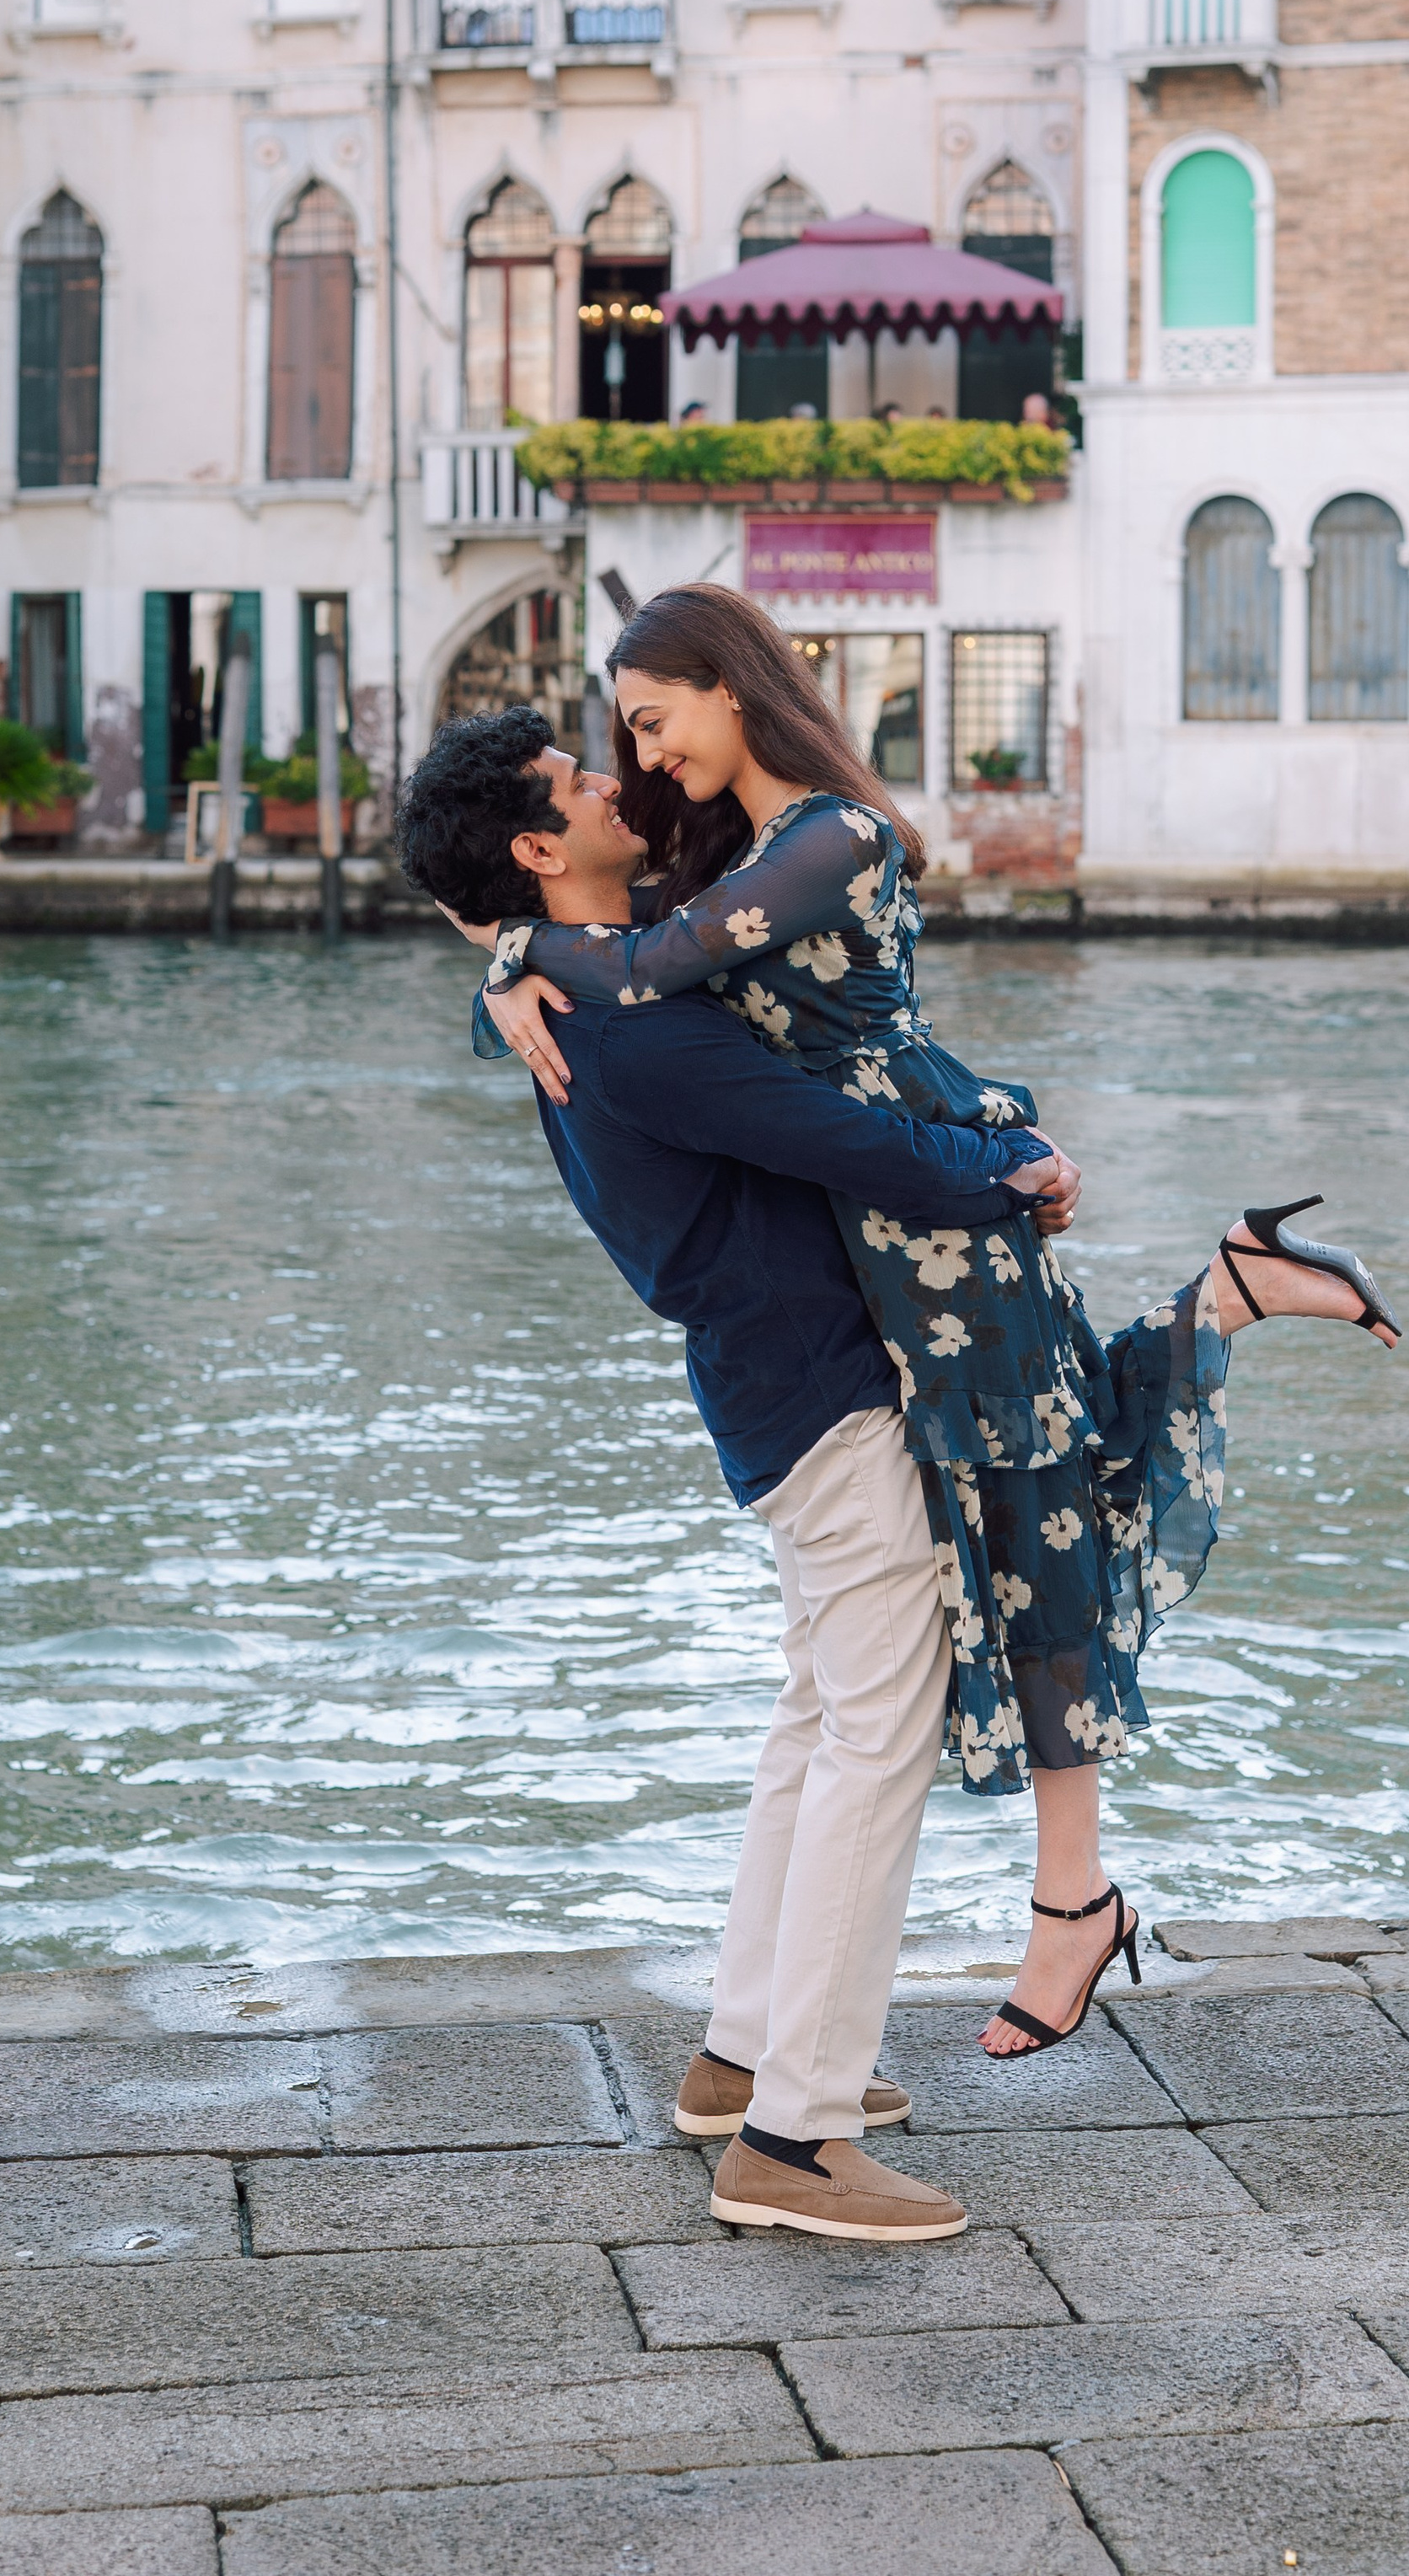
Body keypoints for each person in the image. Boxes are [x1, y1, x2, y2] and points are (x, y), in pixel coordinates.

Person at [466, 583, 1401, 2063]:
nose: (637, 760)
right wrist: (503, 965)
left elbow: (639, 981)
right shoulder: (726, 853)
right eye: (617, 743)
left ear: (730, 686)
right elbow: (638, 986)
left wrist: (517, 953)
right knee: (999, 1545)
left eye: (651, 722)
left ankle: (1054, 1911)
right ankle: (1225, 1296)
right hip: (889, 1239)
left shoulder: (828, 834)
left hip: (944, 1210)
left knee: (1038, 1528)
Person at [395, 705, 1080, 2246]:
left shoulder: (591, 983)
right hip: (821, 1387)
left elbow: (679, 1012)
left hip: (773, 1387)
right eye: (577, 781)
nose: (609, 780)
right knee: (876, 1739)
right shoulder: (632, 1019)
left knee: (819, 1716)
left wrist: (503, 961)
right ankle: (795, 2136)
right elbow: (834, 1135)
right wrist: (1013, 1166)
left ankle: (745, 2056)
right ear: (535, 848)